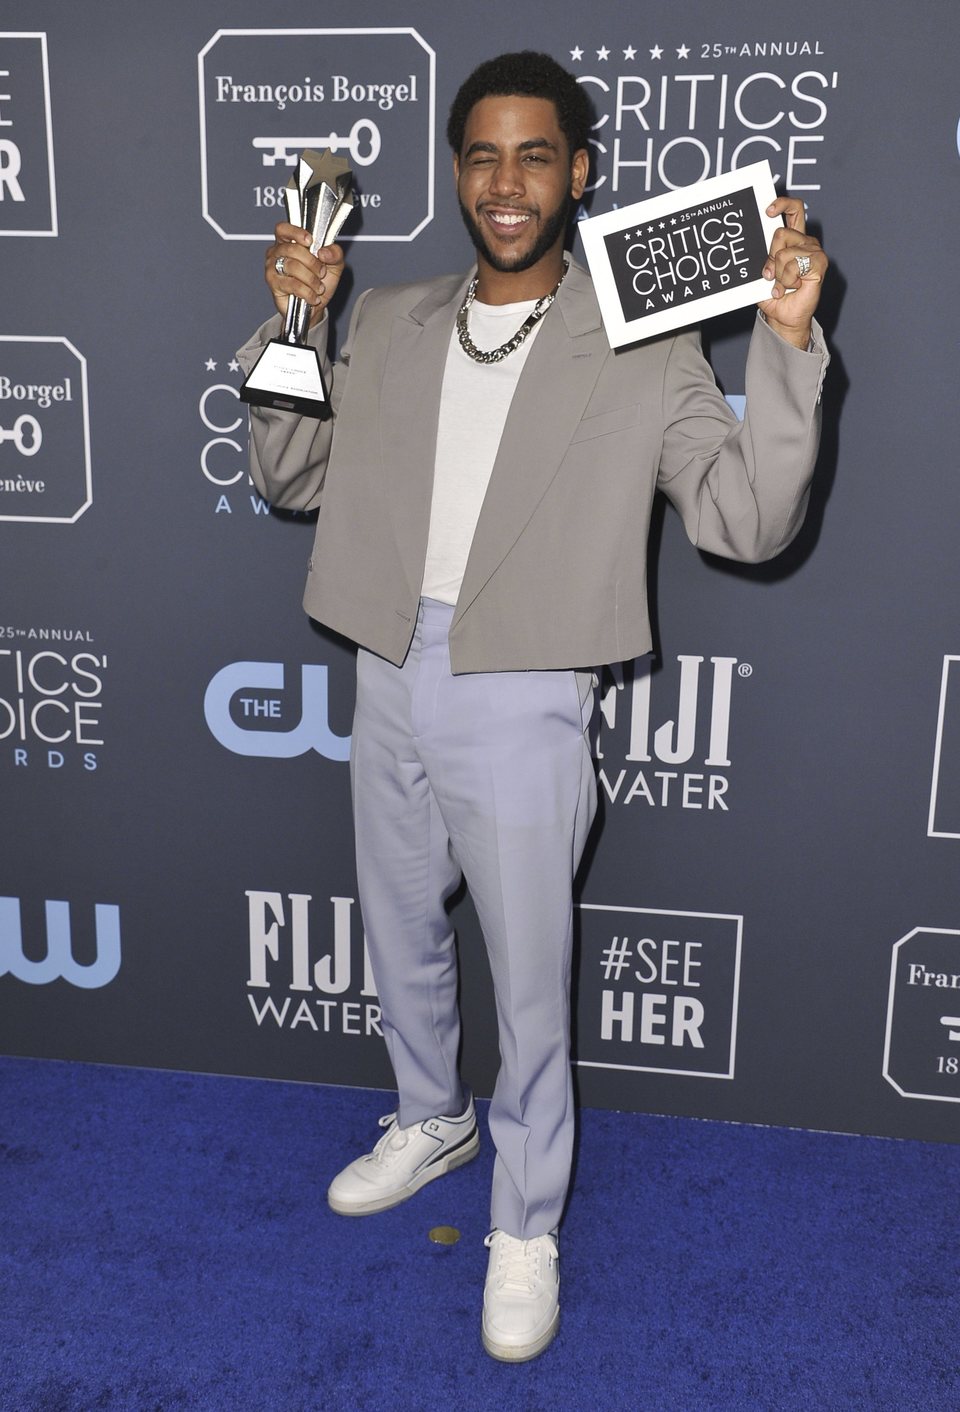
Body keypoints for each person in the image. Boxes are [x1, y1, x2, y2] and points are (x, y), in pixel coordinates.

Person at [236, 51, 829, 1363]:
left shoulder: (640, 331)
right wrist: (294, 324)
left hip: (528, 684)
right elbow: (287, 477)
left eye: (537, 156)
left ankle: (524, 1219)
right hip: (387, 661)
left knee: (531, 990)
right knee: (398, 926)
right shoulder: (384, 314)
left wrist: (783, 346)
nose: (509, 184)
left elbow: (746, 522)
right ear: (457, 172)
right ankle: (429, 1115)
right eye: (484, 157)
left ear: (579, 172)